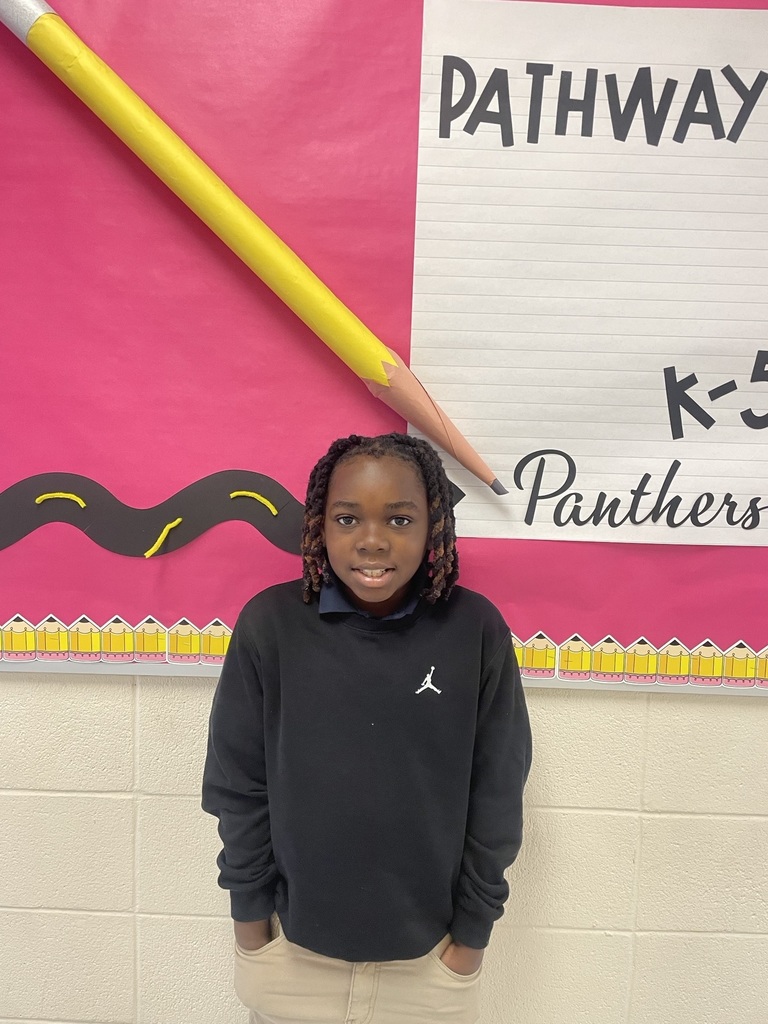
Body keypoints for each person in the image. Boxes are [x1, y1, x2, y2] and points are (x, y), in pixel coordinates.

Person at [202, 432, 532, 1024]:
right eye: (348, 518)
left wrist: (468, 945)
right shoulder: (271, 626)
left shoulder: (474, 630)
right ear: (319, 525)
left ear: (432, 526)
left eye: (400, 519)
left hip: (429, 967)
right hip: (291, 960)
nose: (372, 541)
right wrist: (253, 932)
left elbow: (498, 794)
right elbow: (237, 786)